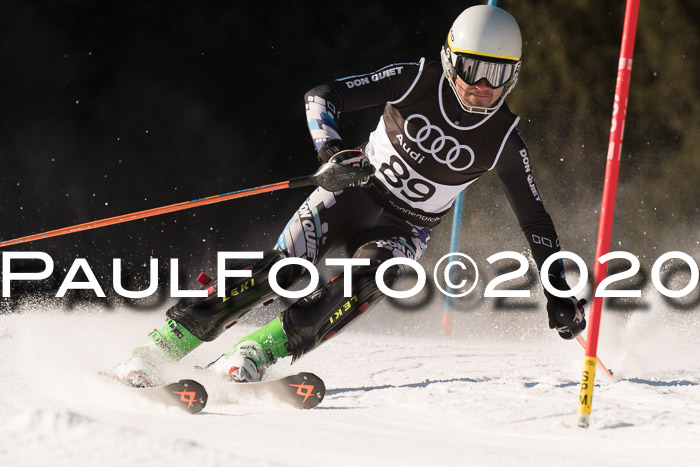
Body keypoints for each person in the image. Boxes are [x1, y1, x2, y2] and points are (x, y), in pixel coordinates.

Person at [112, 5, 586, 387]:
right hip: (351, 195)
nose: (484, 87)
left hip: (404, 229)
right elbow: (321, 96)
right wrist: (332, 153)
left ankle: (256, 352)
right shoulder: (416, 80)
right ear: (450, 60)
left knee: (371, 279)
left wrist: (559, 292)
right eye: (473, 69)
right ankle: (159, 348)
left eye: (498, 74)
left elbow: (536, 223)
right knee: (280, 272)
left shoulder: (504, 140)